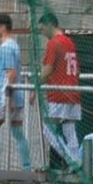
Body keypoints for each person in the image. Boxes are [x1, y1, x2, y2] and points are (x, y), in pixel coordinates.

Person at [0, 13, 31, 171]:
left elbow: (11, 73)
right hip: (15, 94)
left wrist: (9, 98)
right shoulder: (14, 45)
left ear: (3, 27)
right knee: (17, 131)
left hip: (7, 97)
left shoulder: (6, 47)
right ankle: (26, 168)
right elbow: (6, 75)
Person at [35, 13, 82, 170]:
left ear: (49, 25)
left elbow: (48, 69)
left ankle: (71, 160)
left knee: (47, 129)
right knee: (69, 129)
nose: (42, 33)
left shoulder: (54, 43)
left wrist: (36, 85)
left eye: (42, 29)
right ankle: (76, 162)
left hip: (59, 94)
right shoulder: (69, 41)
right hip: (74, 91)